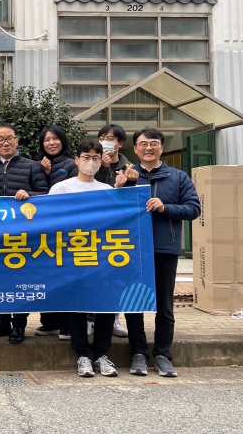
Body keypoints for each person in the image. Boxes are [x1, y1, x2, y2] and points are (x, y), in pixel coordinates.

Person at [49, 140, 136, 377]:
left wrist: (123, 190)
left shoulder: (106, 190)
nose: (91, 162)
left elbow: (119, 221)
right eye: (86, 157)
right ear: (76, 160)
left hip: (103, 257)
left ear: (101, 161)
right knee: (77, 306)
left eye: (96, 158)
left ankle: (101, 355)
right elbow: (51, 221)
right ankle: (82, 355)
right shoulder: (61, 189)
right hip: (73, 256)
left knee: (106, 304)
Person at [125, 128, 201, 377]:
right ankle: (138, 353)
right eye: (143, 144)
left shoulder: (178, 177)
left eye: (153, 143)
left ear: (161, 147)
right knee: (133, 303)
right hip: (131, 250)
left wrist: (165, 207)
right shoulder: (127, 175)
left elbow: (193, 209)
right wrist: (123, 185)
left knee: (165, 305)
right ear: (135, 149)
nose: (148, 148)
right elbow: (113, 208)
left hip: (164, 248)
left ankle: (162, 355)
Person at [0, 123, 48, 344]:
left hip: (22, 234)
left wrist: (29, 194)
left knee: (21, 279)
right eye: (0, 139)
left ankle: (19, 325)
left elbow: (44, 194)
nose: (5, 143)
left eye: (9, 138)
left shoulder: (32, 166)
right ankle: (2, 322)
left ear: (17, 141)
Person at [34, 124, 77, 341]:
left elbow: (73, 192)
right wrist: (44, 172)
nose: (51, 143)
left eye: (55, 139)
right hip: (44, 229)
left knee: (65, 276)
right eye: (46, 139)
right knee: (46, 275)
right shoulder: (37, 164)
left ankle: (66, 325)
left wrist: (50, 173)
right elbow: (39, 192)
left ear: (62, 141)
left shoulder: (71, 164)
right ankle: (48, 322)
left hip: (66, 229)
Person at [94, 124, 131, 338]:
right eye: (102, 137)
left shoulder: (129, 168)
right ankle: (91, 319)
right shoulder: (93, 163)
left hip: (117, 231)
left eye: (110, 138)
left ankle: (114, 318)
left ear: (120, 143)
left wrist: (126, 183)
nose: (105, 142)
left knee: (115, 276)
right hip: (94, 230)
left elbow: (131, 200)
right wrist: (103, 169)